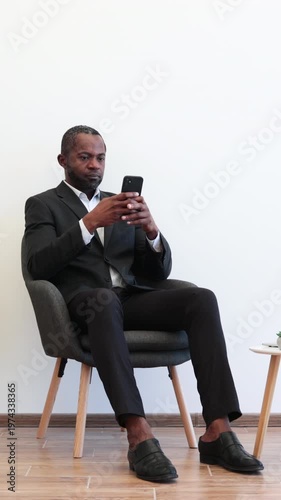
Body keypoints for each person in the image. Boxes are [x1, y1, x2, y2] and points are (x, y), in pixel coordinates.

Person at [24, 125, 263, 483]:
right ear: (63, 160)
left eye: (100, 157)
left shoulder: (120, 202)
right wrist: (89, 223)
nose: (94, 165)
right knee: (104, 300)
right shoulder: (43, 204)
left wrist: (151, 232)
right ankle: (139, 434)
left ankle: (218, 430)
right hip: (87, 304)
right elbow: (37, 265)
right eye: (84, 157)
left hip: (130, 299)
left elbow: (156, 273)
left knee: (201, 299)